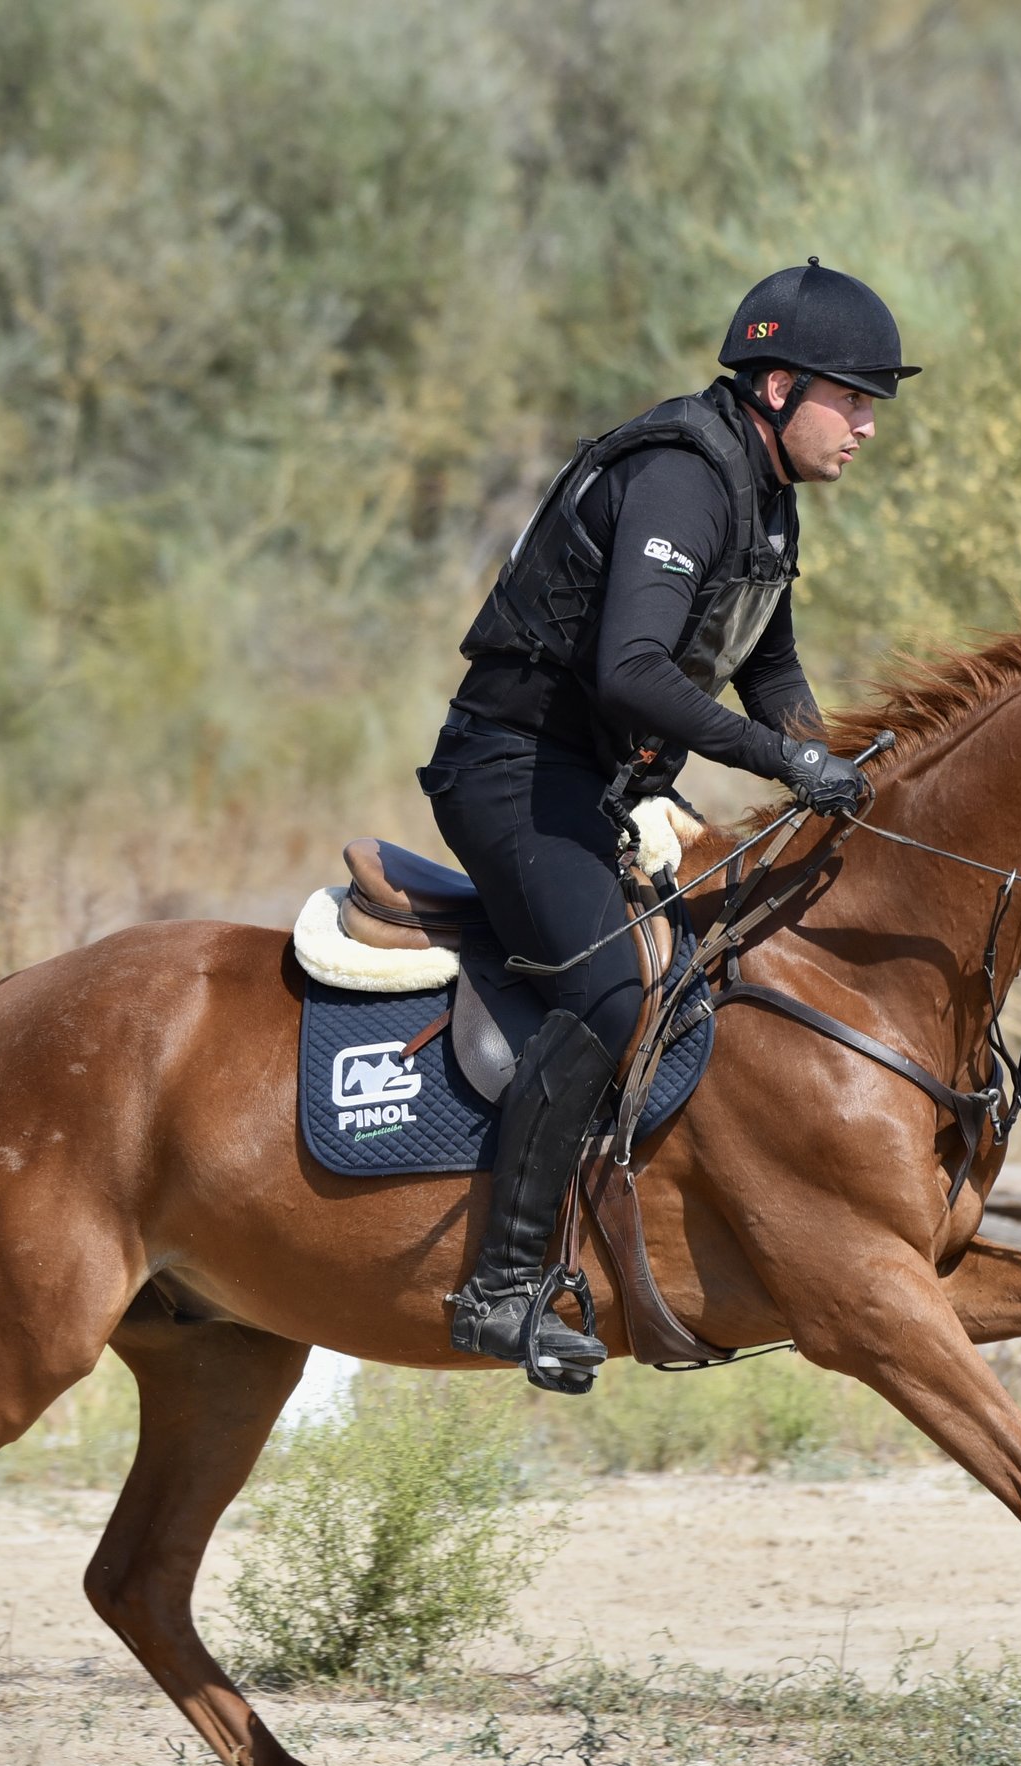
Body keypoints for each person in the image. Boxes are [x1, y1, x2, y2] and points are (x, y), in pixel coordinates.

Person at [423, 259, 917, 1389]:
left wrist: (839, 770)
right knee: (610, 990)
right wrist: (786, 761)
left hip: (601, 786)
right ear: (780, 388)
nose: (867, 427)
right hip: (512, 772)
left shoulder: (766, 494)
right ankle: (501, 1287)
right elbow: (634, 671)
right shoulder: (682, 477)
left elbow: (770, 670)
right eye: (854, 400)